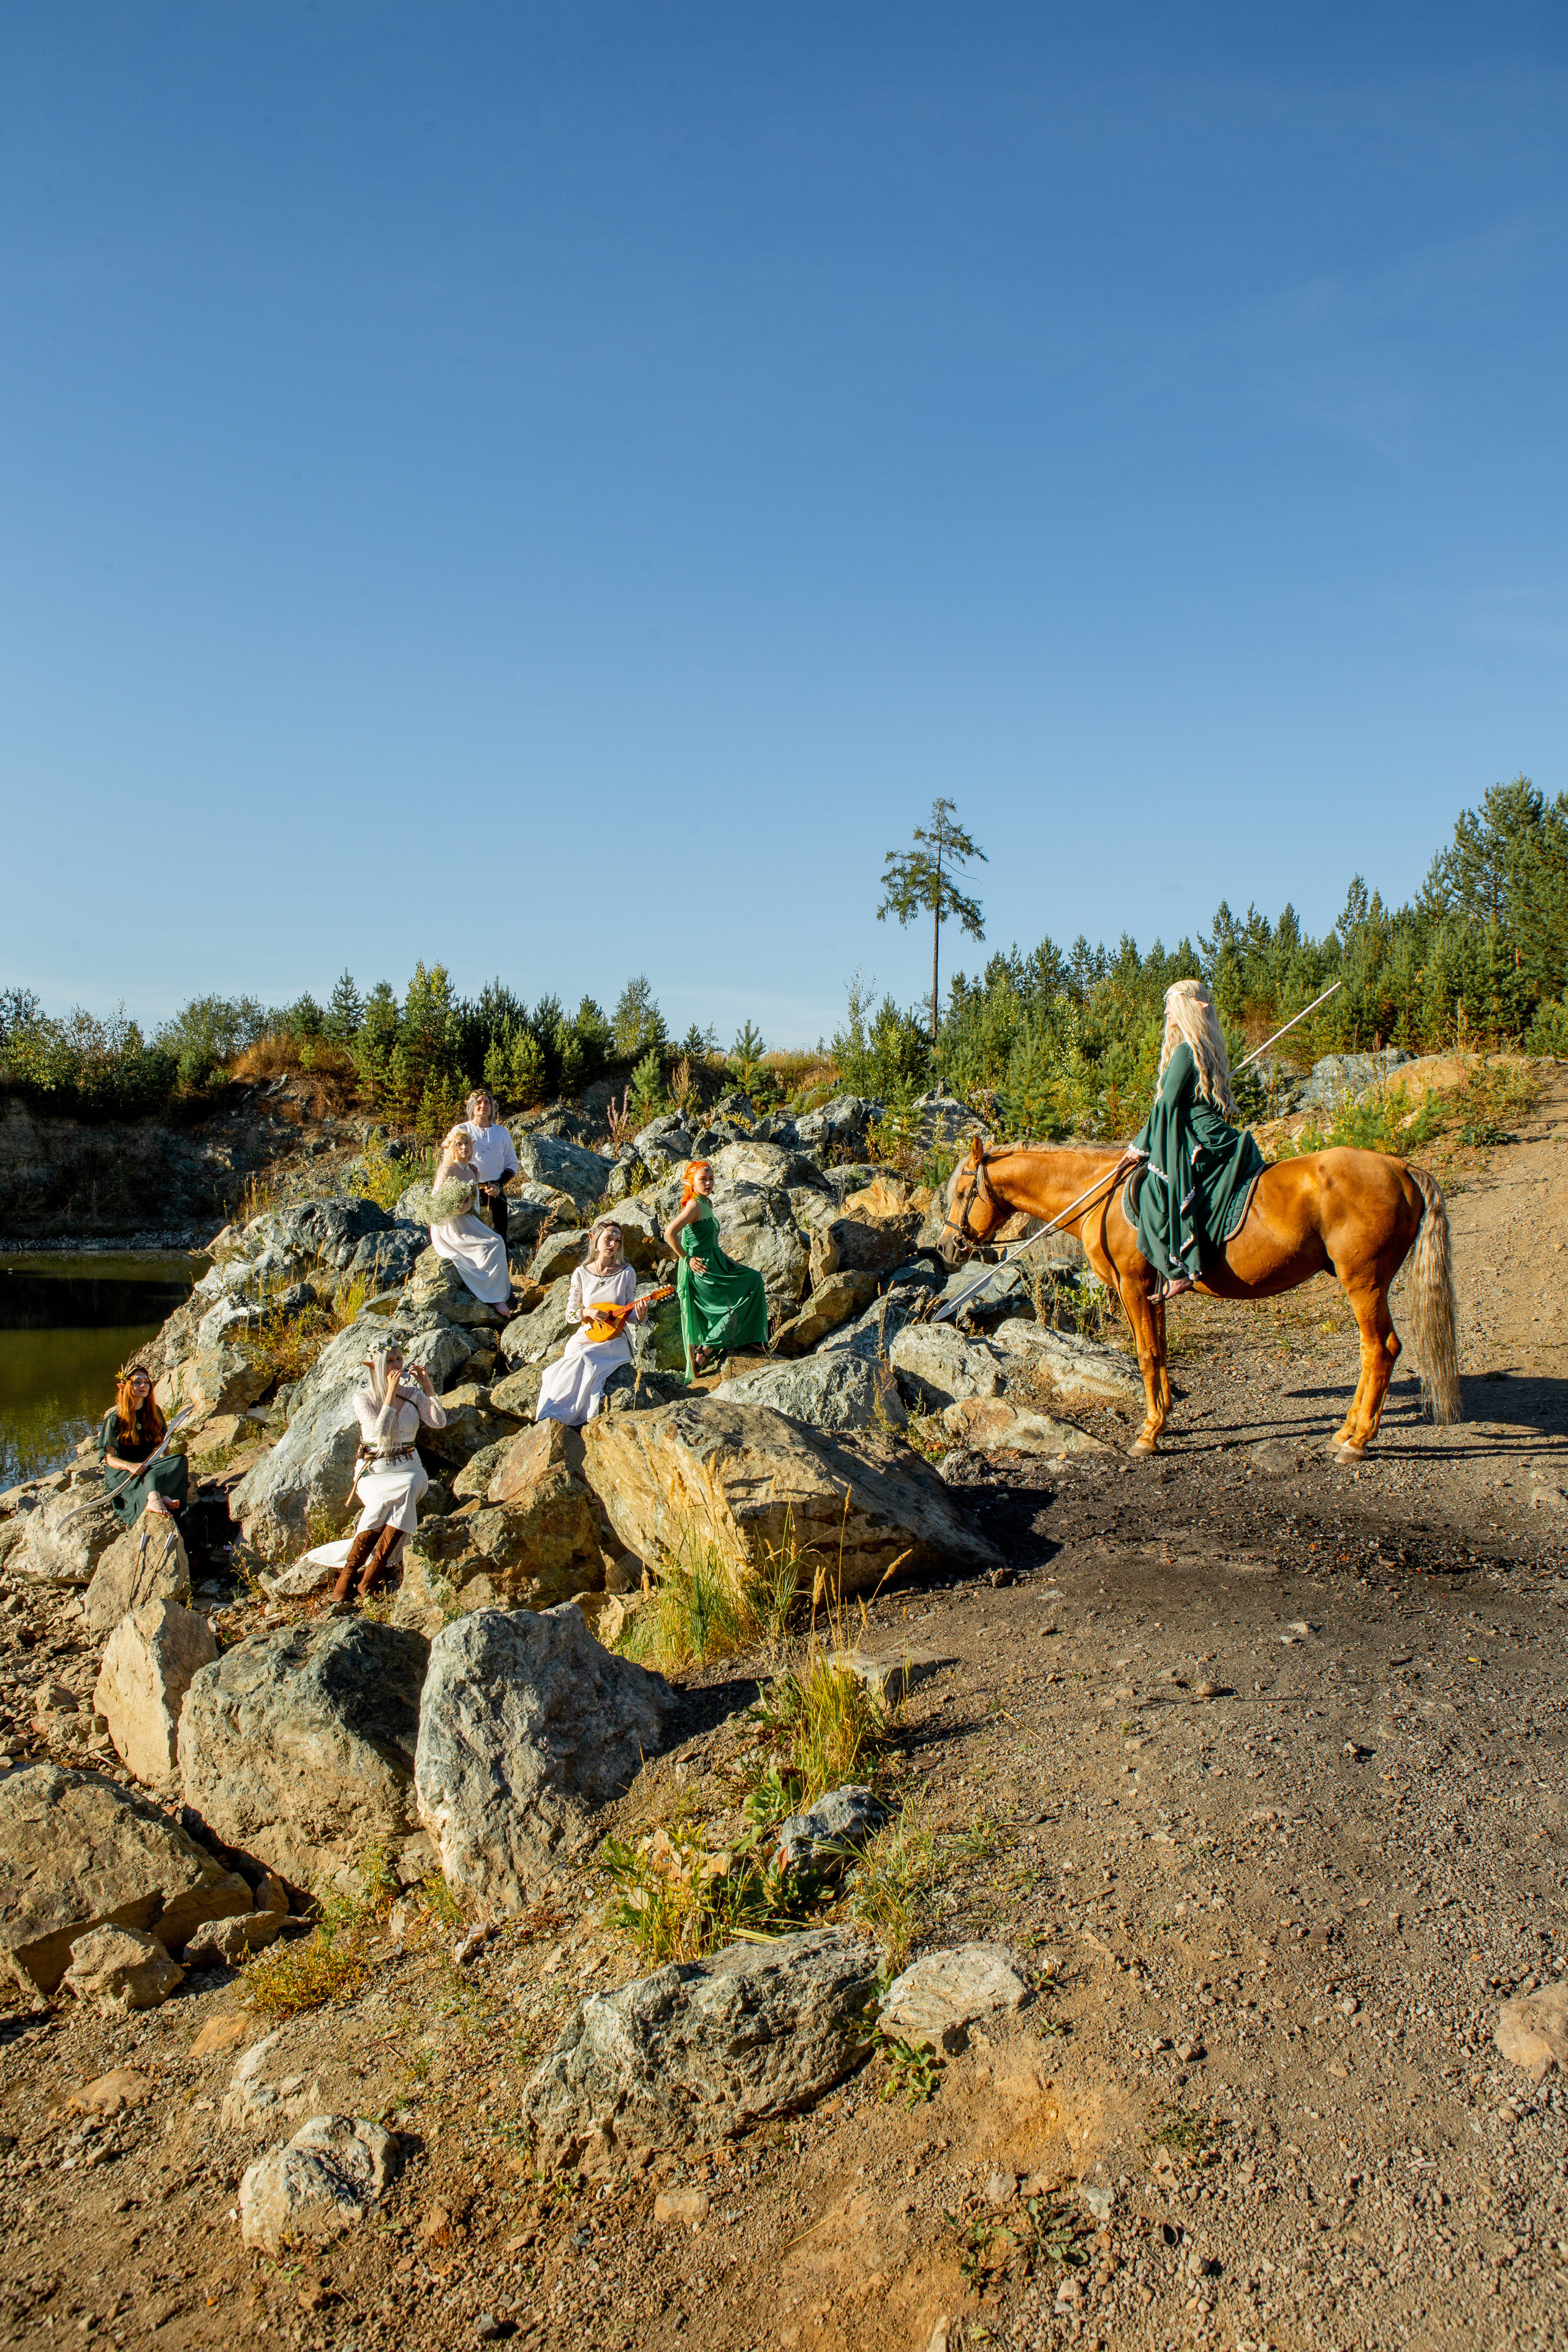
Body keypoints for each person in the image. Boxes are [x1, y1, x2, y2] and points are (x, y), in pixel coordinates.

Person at [1128, 979, 1268, 1300]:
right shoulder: (1206, 1046)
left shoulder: (1185, 1050)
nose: (1166, 1012)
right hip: (1214, 1131)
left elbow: (1166, 1105)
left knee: (1153, 1192)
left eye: (1170, 1005)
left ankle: (1178, 1271)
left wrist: (1139, 1146)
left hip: (1196, 1137)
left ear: (1184, 1007)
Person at [319, 1343, 448, 1604]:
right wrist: (390, 1393)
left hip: (409, 1468)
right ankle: (349, 1574)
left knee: (409, 1487)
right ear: (376, 1366)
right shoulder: (363, 1398)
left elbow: (438, 1422)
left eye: (399, 1359)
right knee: (381, 1501)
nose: (397, 1365)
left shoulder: (413, 1394)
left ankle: (372, 1574)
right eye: (390, 1361)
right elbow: (380, 1432)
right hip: (375, 1471)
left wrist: (428, 1387)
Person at [535, 1218, 650, 1428]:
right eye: (608, 1238)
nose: (613, 1244)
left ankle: (566, 1417)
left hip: (615, 1339)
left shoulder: (626, 1273)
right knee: (556, 1370)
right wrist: (586, 1311)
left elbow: (629, 1315)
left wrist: (641, 1317)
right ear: (593, 1238)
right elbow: (570, 1315)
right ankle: (550, 1417)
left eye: (617, 1240)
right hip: (587, 1333)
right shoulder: (581, 1273)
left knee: (585, 1358)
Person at [663, 1159, 769, 1379]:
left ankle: (751, 1337)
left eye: (711, 1179)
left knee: (753, 1278)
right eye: (703, 1179)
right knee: (736, 1301)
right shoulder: (693, 1206)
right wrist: (687, 1259)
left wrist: (729, 1259)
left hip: (718, 1262)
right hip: (704, 1271)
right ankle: (707, 1347)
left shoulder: (706, 1204)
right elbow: (669, 1233)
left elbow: (710, 1241)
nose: (708, 1183)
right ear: (691, 1182)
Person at [428, 1125, 513, 1313]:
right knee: (487, 1246)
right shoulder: (447, 1170)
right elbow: (436, 1203)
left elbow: (474, 1203)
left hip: (468, 1219)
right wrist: (456, 1209)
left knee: (498, 1241)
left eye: (467, 1143)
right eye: (459, 1144)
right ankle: (492, 1296)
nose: (464, 1147)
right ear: (453, 1148)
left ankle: (499, 1294)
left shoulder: (473, 1170)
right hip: (450, 1224)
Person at [96, 1365, 189, 1529]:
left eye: (146, 1382)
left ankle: (159, 1494)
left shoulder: (154, 1412)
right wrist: (130, 1466)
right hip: (123, 1470)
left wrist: (171, 1468)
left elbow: (163, 1445)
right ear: (124, 1387)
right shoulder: (114, 1418)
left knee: (180, 1460)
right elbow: (110, 1459)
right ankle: (154, 1499)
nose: (143, 1385)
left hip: (149, 1463)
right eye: (137, 1382)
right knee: (150, 1472)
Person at [457, 1088, 519, 1255]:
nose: (483, 1105)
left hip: (497, 1194)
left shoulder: (501, 1132)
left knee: (500, 1240)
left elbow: (512, 1163)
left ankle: (503, 1273)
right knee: (474, 1242)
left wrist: (499, 1184)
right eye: (478, 1102)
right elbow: (450, 1162)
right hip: (469, 1195)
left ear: (493, 1106)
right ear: (470, 1105)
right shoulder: (461, 1130)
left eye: (487, 1102)